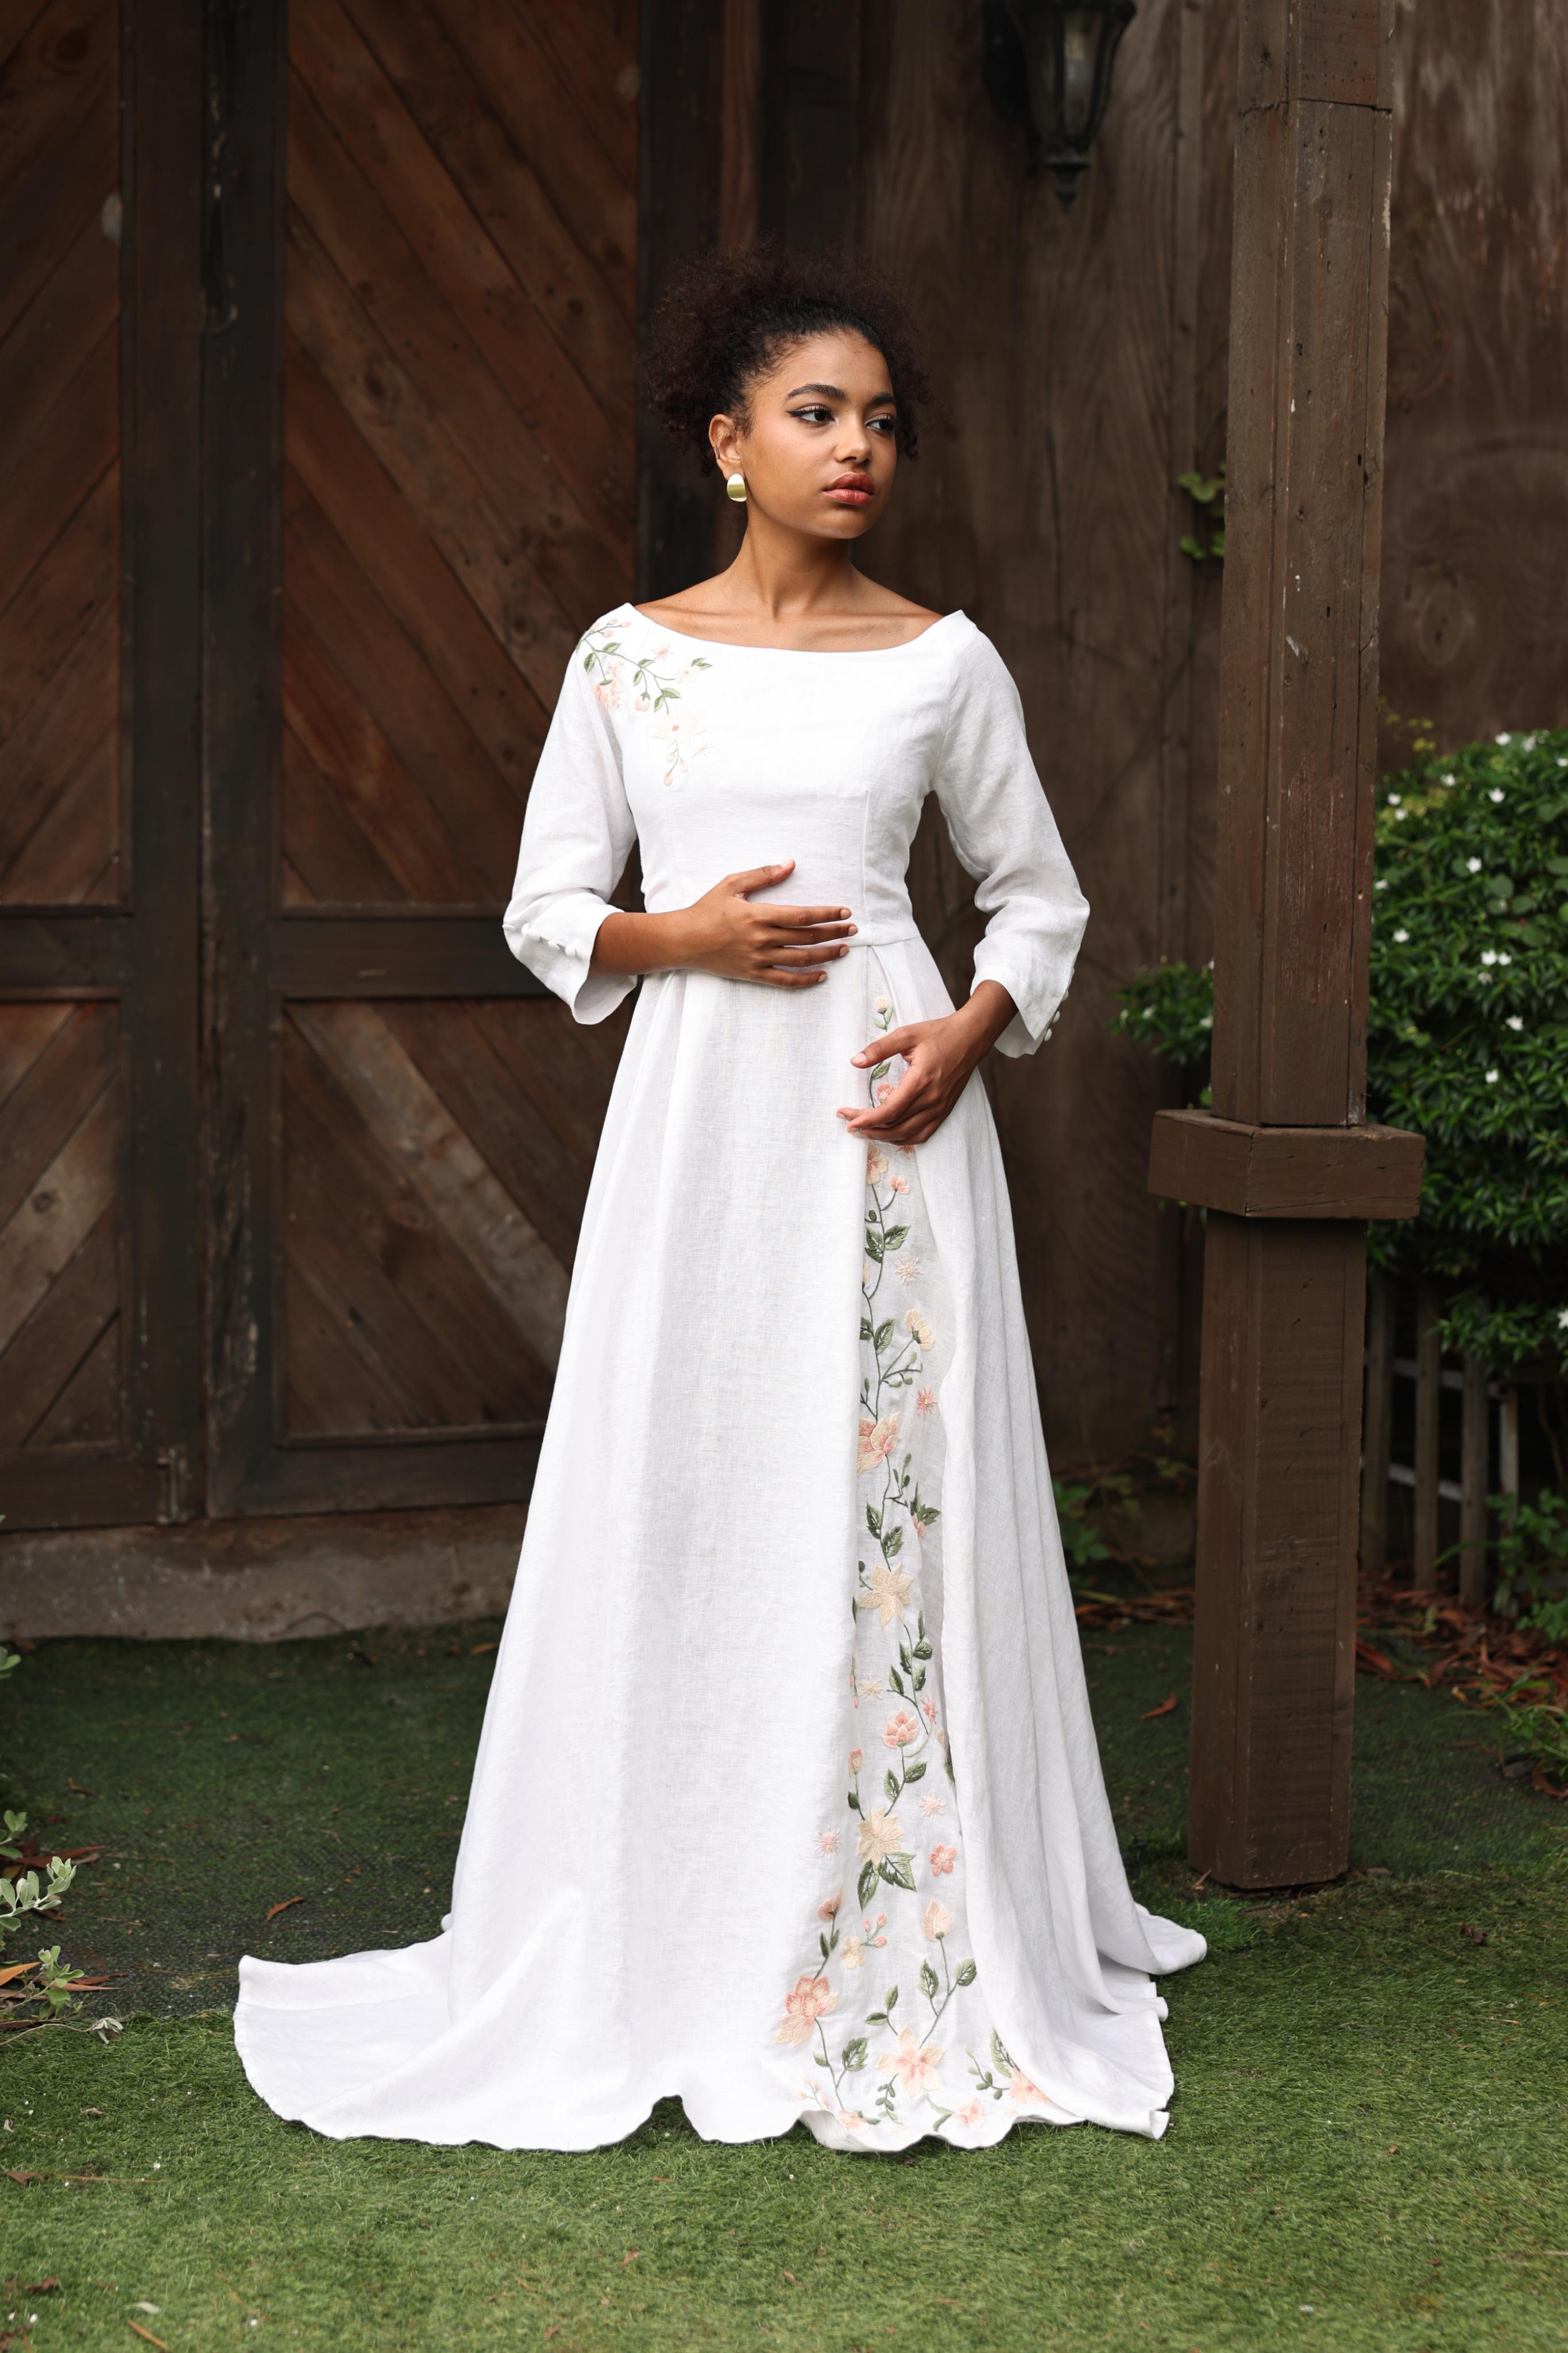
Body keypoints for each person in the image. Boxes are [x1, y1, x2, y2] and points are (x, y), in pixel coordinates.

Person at [235, 242, 1204, 2154]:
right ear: (727, 442)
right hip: (699, 1144)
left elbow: (1039, 898)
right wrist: (674, 932)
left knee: (879, 1500)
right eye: (818, 414)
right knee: (689, 1491)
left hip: (889, 1140)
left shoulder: (944, 661)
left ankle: (899, 1924)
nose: (860, 450)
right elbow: (541, 907)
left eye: (883, 423)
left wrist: (968, 1032)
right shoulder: (627, 656)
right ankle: (668, 1914)